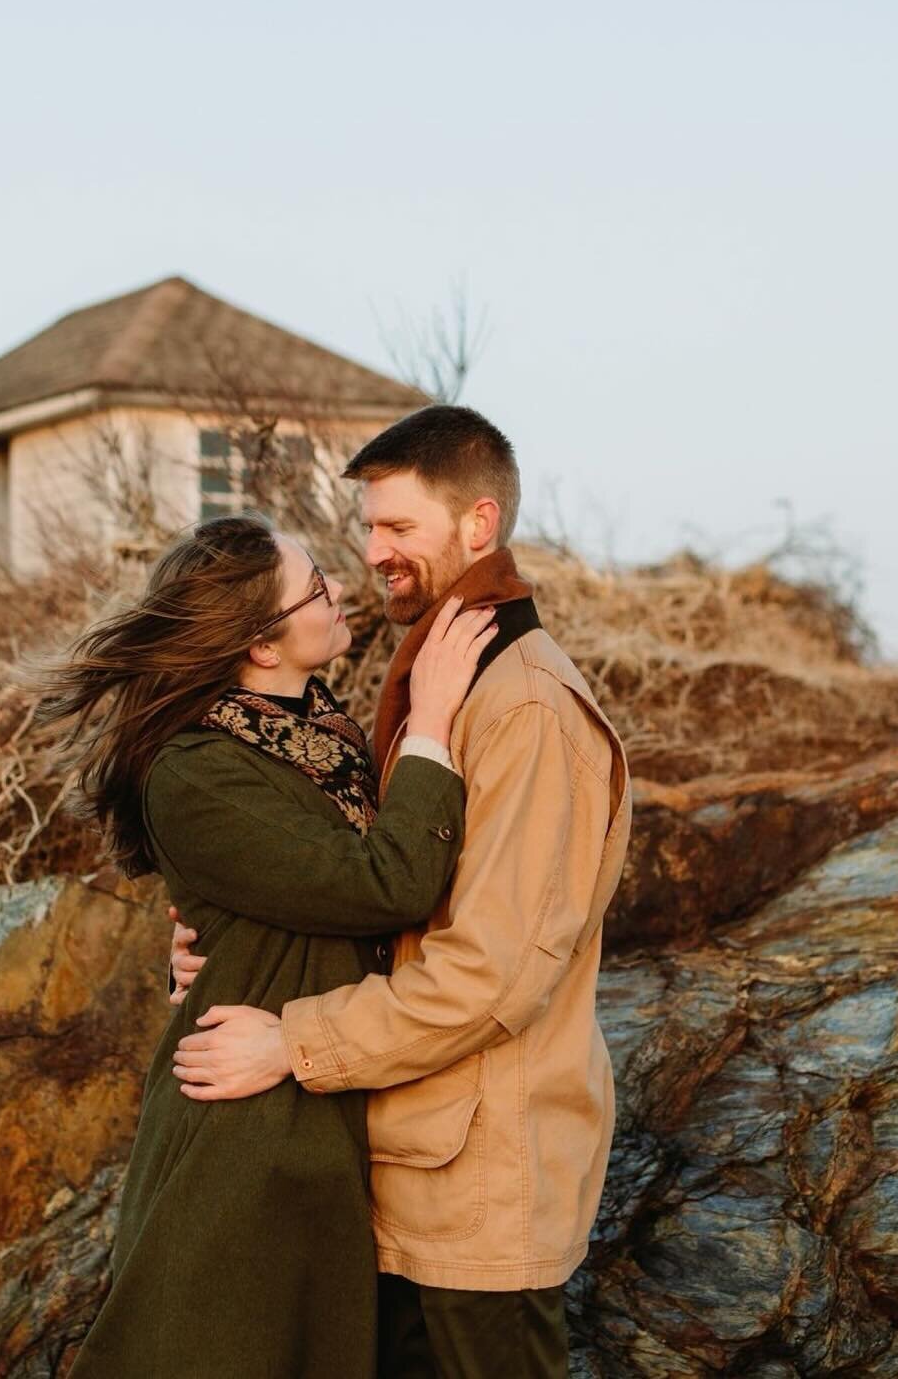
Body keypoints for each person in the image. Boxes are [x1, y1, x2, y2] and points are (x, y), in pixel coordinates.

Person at [168, 406, 632, 1379]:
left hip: (483, 1194)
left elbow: (494, 974)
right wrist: (219, 940)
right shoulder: (442, 676)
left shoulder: (527, 707)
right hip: (412, 1172)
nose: (373, 552)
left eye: (398, 529)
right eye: (369, 527)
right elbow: (369, 892)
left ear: (479, 524)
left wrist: (293, 1042)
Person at [39, 512, 499, 1379]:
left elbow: (277, 887)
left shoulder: (311, 733)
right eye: (315, 586)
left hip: (315, 1110)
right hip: (245, 1149)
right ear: (260, 645)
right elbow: (383, 884)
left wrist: (203, 938)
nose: (338, 589)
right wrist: (434, 721)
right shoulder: (197, 768)